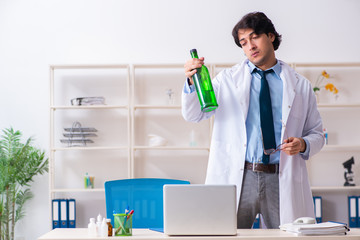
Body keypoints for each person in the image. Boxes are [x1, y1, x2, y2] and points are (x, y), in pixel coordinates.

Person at [182, 12, 325, 229]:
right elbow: (193, 115)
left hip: (279, 177)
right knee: (225, 233)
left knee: (286, 235)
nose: (250, 46)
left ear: (271, 36)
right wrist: (192, 81)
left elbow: (317, 134)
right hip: (239, 176)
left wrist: (303, 144)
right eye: (243, 42)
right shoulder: (227, 80)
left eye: (255, 36)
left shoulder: (300, 85)